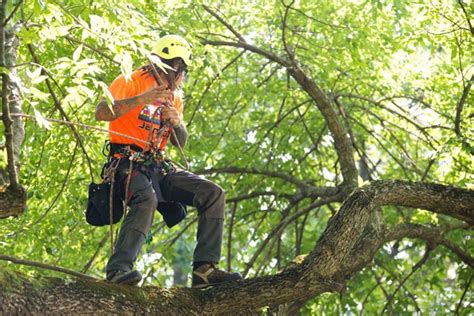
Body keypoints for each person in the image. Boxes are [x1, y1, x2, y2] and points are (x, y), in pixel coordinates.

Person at [95, 35, 242, 288]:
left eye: (178, 70)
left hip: (158, 166)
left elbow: (180, 142)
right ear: (156, 64)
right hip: (125, 162)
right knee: (146, 199)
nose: (173, 75)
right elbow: (101, 112)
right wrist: (142, 98)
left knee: (213, 193)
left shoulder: (175, 98)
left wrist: (177, 122)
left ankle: (204, 270)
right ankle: (118, 270)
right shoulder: (130, 81)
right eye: (169, 68)